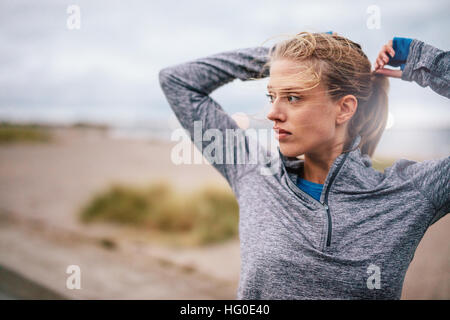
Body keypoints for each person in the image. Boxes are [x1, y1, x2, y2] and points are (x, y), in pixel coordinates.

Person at [158, 32, 449, 299]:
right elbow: (177, 80)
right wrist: (279, 57)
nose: (273, 113)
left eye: (293, 97)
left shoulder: (410, 194)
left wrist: (421, 59)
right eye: (272, 96)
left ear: (345, 108)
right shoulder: (254, 174)